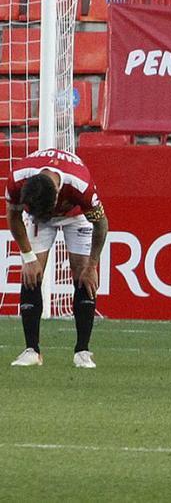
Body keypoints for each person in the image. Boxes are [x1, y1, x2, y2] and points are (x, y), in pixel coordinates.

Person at [5, 148, 108, 369]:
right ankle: (32, 350)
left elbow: (101, 224)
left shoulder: (80, 185)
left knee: (83, 275)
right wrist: (27, 256)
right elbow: (12, 215)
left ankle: (82, 351)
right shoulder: (18, 178)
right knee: (31, 273)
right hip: (39, 217)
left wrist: (92, 265)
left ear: (57, 201)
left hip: (76, 217)